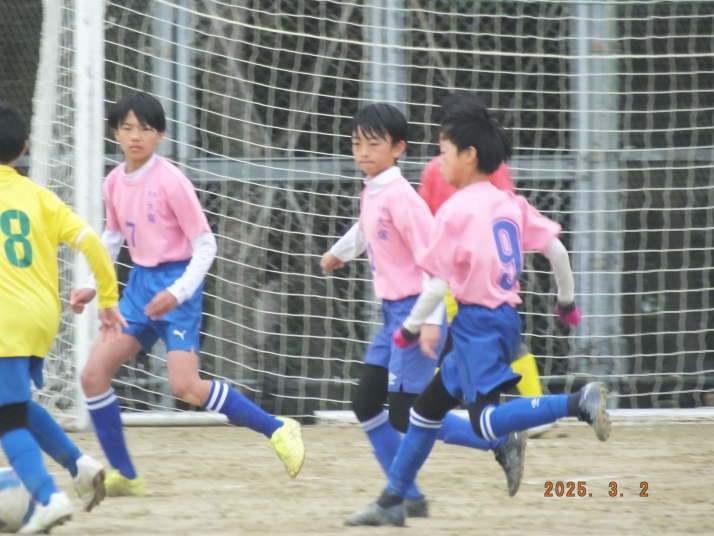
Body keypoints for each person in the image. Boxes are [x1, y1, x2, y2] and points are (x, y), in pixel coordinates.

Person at [345, 94, 610, 527]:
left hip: (476, 326)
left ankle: (577, 402)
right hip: (502, 320)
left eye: (444, 152)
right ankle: (394, 498)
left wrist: (411, 327)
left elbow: (437, 281)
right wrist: (566, 303)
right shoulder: (510, 202)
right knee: (423, 413)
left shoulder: (455, 211)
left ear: (469, 155)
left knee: (485, 422)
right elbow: (558, 251)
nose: (439, 162)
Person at [71, 92, 305, 497]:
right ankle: (126, 474)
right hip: (140, 288)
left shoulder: (172, 181)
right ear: (116, 133)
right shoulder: (113, 181)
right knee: (92, 377)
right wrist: (93, 284)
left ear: (160, 134)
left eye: (145, 128)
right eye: (127, 127)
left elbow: (206, 245)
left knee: (187, 387)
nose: (135, 136)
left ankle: (278, 428)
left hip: (178, 285)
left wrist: (178, 293)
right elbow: (112, 237)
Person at [320, 103, 522, 520]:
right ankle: (406, 497)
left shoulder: (403, 198)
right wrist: (338, 253)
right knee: (365, 404)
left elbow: (436, 262)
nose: (362, 152)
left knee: (404, 413)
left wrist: (430, 322)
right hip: (392, 314)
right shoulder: (373, 190)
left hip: (416, 313)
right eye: (356, 143)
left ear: (399, 148)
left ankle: (498, 440)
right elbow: (366, 227)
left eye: (373, 144)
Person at [0, 103, 125, 533]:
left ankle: (46, 497)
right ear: (25, 148)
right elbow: (92, 243)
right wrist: (107, 297)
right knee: (15, 404)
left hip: (4, 320)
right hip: (41, 318)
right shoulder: (40, 197)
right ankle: (80, 465)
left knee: (6, 418)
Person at [418, 156, 554, 438]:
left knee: (443, 342)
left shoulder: (437, 169)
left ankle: (426, 413)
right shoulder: (493, 166)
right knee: (487, 343)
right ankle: (536, 409)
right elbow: (507, 210)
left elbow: (426, 218)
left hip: (456, 274)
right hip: (491, 275)